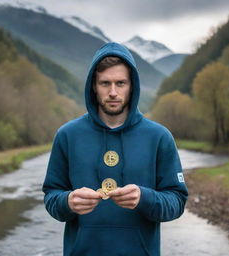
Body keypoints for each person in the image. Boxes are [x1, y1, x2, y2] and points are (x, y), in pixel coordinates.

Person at [42, 42, 188, 256]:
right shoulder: (67, 135)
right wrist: (68, 202)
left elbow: (177, 201)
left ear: (132, 85)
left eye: (120, 83)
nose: (113, 92)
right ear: (94, 85)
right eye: (105, 83)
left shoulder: (159, 136)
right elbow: (51, 196)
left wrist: (144, 199)